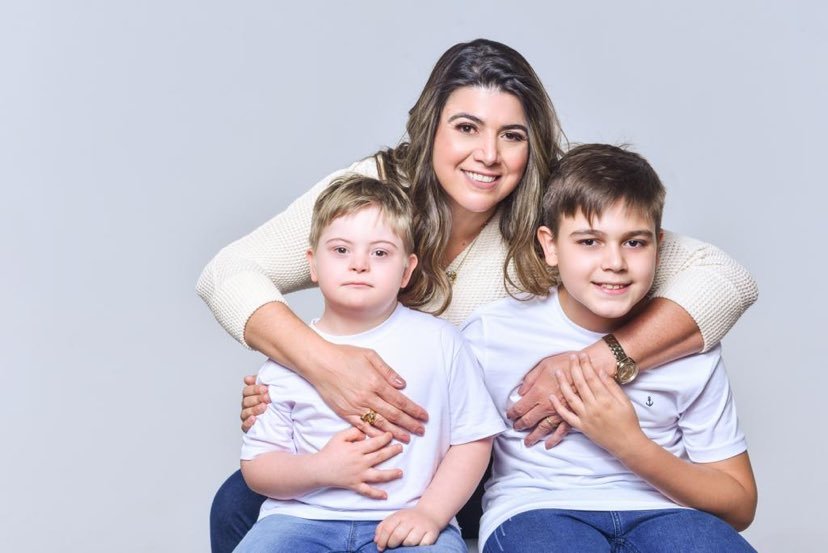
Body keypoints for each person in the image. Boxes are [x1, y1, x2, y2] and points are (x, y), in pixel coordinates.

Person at [198, 39, 758, 551]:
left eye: (512, 135)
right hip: (378, 443)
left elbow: (724, 278)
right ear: (430, 129)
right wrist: (315, 367)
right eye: (467, 127)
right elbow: (227, 273)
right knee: (239, 507)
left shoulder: (549, 199)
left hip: (485, 452)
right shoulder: (378, 192)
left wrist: (598, 361)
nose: (488, 155)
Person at [462, 144, 757, 552]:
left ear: (658, 246)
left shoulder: (684, 341)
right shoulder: (493, 333)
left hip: (668, 512)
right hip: (538, 509)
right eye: (589, 242)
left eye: (634, 243)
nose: (614, 262)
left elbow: (739, 505)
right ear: (550, 245)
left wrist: (627, 443)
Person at [234, 175, 504, 553]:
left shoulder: (441, 342)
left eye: (380, 253)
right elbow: (258, 465)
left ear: (407, 270)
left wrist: (430, 513)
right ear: (313, 264)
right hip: (300, 519)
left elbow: (473, 439)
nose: (359, 264)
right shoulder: (288, 357)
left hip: (408, 517)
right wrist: (321, 469)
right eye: (341, 250)